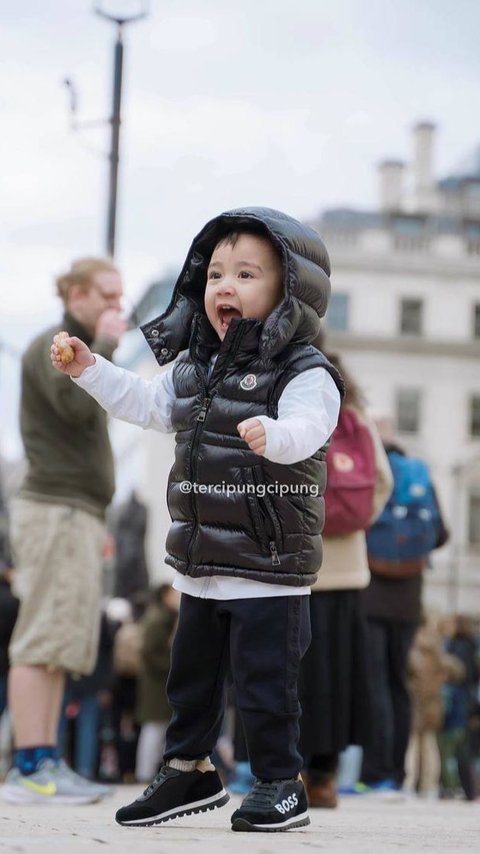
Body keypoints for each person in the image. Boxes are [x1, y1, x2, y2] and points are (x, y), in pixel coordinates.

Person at [50, 207, 343, 832]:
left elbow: (313, 426)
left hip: (268, 566)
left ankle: (278, 784)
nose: (225, 287)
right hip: (202, 561)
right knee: (191, 679)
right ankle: (188, 770)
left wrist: (277, 435)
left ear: (288, 290)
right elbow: (146, 403)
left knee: (266, 688)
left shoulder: (303, 371)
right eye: (214, 275)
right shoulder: (193, 366)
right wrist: (89, 370)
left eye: (245, 273)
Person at [3, 258, 126, 805]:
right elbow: (78, 408)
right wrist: (108, 348)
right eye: (107, 296)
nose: (115, 309)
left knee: (61, 643)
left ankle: (44, 759)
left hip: (75, 511)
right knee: (41, 637)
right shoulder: (53, 350)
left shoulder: (76, 350)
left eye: (119, 299)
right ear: (76, 294)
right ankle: (28, 765)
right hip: (56, 508)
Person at [299, 353, 393, 808]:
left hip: (294, 565)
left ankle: (285, 770)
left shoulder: (292, 407)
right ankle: (324, 776)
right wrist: (354, 523)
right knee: (339, 678)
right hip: (347, 571)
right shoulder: (355, 417)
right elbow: (382, 481)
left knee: (291, 674)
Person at [359, 419, 448, 793]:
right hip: (409, 598)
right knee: (399, 683)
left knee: (374, 682)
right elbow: (441, 533)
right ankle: (395, 774)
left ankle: (374, 771)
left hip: (371, 592)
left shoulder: (371, 472)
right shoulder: (419, 478)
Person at [404, 614, 464, 799]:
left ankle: (409, 783)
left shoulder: (412, 645)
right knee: (430, 746)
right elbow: (457, 670)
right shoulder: (437, 647)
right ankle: (429, 785)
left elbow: (409, 668)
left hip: (415, 700)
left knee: (412, 745)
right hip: (432, 701)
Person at [135, 585, 179, 783]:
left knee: (158, 730)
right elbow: (149, 652)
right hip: (157, 685)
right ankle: (144, 773)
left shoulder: (162, 617)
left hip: (157, 684)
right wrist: (173, 666)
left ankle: (148, 772)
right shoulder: (159, 619)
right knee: (154, 729)